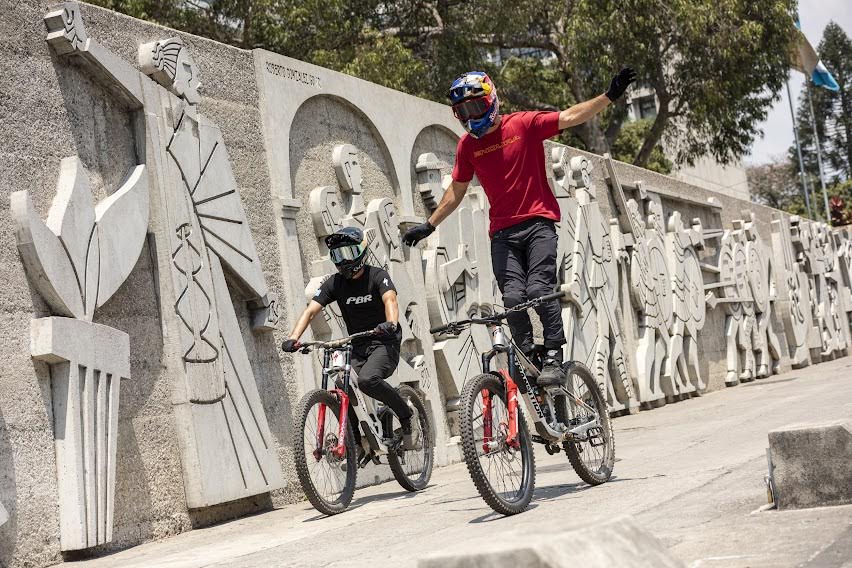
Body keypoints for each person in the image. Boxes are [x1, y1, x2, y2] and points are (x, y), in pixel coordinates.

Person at [402, 68, 636, 387]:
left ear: (491, 101)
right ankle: (527, 357)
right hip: (502, 235)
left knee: (538, 289)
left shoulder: (523, 124)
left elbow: (569, 116)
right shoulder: (467, 148)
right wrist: (428, 226)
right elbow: (456, 189)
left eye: (475, 107)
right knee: (512, 298)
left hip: (538, 224)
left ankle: (553, 351)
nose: (470, 117)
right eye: (463, 111)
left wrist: (609, 96)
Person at [282, 226, 415, 450]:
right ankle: (357, 442)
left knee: (367, 380)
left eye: (349, 253)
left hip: (384, 341)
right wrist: (293, 337)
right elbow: (311, 311)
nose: (343, 261)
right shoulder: (334, 283)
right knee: (342, 383)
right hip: (357, 344)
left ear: (362, 252)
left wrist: (391, 323)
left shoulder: (377, 276)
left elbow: (390, 301)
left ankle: (406, 414)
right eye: (337, 255)